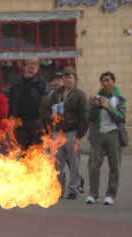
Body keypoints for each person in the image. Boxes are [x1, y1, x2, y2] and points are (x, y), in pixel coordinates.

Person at [85, 72, 127, 205]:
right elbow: (90, 118)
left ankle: (110, 195)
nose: (105, 83)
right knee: (93, 166)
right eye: (103, 81)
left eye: (108, 80)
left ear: (113, 82)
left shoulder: (120, 98)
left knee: (114, 166)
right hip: (98, 135)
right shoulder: (97, 97)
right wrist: (92, 106)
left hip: (113, 134)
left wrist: (108, 107)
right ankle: (93, 195)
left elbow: (121, 118)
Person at [49, 67, 89, 199]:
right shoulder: (56, 94)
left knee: (74, 163)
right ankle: (58, 189)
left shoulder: (80, 95)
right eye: (65, 77)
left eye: (70, 77)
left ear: (75, 80)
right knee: (57, 163)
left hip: (72, 132)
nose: (67, 79)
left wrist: (79, 136)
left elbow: (84, 118)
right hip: (58, 132)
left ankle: (74, 189)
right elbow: (51, 110)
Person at [9, 58, 47, 150]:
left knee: (37, 151)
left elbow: (45, 101)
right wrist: (11, 119)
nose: (32, 67)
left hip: (36, 121)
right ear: (25, 67)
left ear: (37, 68)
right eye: (30, 64)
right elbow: (11, 101)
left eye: (35, 65)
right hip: (20, 122)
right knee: (23, 151)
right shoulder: (16, 82)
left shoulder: (41, 83)